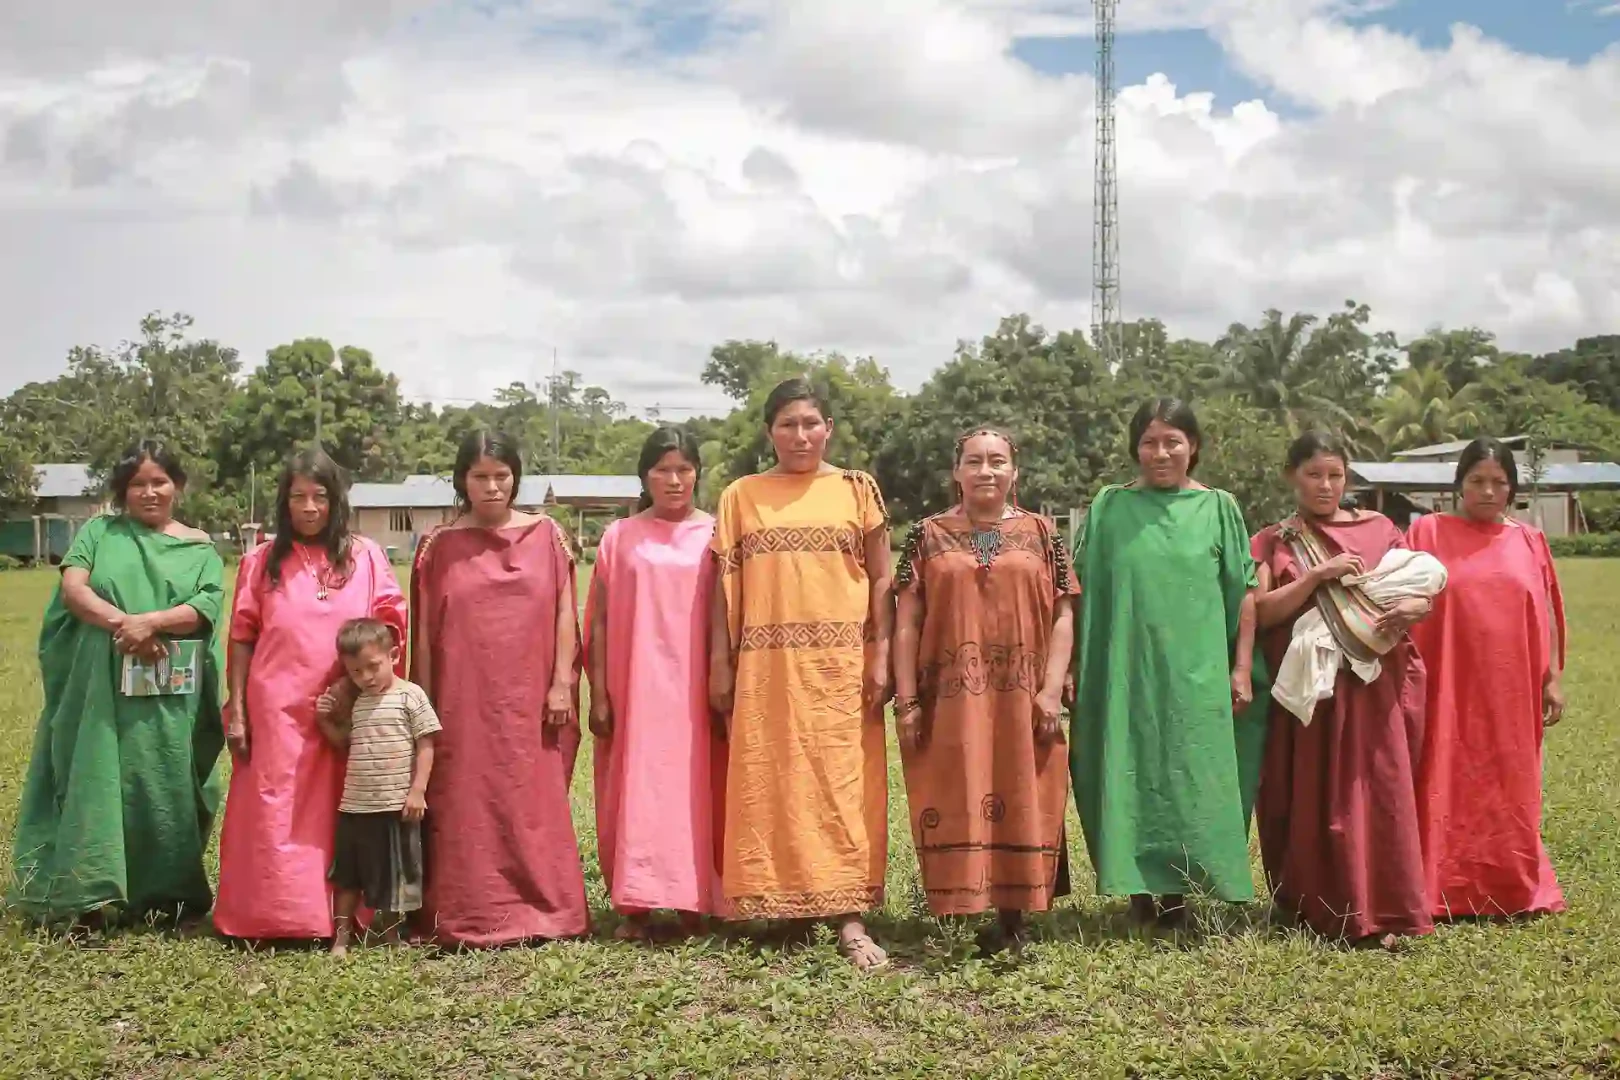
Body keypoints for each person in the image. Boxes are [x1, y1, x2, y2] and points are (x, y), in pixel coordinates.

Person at [709, 377, 893, 970]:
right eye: (787, 424)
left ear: (829, 428)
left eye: (811, 423)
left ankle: (849, 918)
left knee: (841, 784)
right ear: (769, 432)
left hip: (840, 668)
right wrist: (720, 663)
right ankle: (784, 911)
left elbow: (883, 579)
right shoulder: (741, 495)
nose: (800, 435)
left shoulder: (857, 490)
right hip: (765, 671)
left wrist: (882, 653)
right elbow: (723, 589)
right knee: (774, 781)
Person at [8, 439, 225, 926]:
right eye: (137, 484)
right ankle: (88, 896)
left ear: (178, 486)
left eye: (160, 482)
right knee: (97, 774)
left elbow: (207, 604)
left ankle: (168, 894)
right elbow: (73, 588)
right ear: (123, 491)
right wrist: (127, 625)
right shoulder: (100, 531)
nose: (150, 492)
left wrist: (154, 623)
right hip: (99, 689)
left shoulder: (200, 546)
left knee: (164, 777)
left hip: (169, 691)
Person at [1069, 398, 1265, 929]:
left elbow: (1244, 591)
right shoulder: (1109, 507)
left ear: (1192, 447)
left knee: (1189, 774)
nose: (1161, 453)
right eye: (1150, 442)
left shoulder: (1219, 507)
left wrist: (1241, 668)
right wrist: (1070, 665)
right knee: (1128, 768)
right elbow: (1079, 589)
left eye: (1172, 442)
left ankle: (1178, 892)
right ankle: (1135, 889)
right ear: (1135, 447)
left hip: (1195, 673)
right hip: (1122, 668)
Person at [892, 428, 1077, 953]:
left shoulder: (1042, 534)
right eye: (974, 461)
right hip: (949, 697)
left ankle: (1014, 915)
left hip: (1024, 697)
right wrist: (906, 699)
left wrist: (1049, 690)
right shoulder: (927, 535)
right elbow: (907, 620)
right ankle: (959, 910)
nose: (986, 471)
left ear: (1015, 472)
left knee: (1024, 786)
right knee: (955, 788)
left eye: (997, 461)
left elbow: (1065, 613)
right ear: (956, 472)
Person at [1250, 432, 1436, 946]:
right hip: (1311, 693)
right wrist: (1319, 577)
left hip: (1374, 686)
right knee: (1312, 795)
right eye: (1313, 474)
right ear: (1292, 476)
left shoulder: (1383, 530)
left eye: (1335, 475)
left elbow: (1421, 587)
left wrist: (1418, 607)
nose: (1325, 485)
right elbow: (1262, 612)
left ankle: (1386, 908)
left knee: (1377, 793)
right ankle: (1317, 907)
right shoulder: (1275, 539)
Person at [214, 449, 407, 942]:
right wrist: (237, 707)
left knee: (346, 806)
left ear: (336, 500)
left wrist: (347, 686)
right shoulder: (261, 559)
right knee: (274, 807)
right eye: (298, 496)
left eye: (320, 496)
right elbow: (242, 634)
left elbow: (391, 622)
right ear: (284, 501)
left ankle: (342, 916)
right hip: (274, 706)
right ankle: (270, 916)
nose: (309, 507)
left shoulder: (366, 555)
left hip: (348, 706)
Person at [409, 429, 589, 946]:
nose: (492, 487)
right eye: (480, 477)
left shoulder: (546, 535)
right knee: (465, 800)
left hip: (530, 700)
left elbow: (562, 610)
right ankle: (466, 910)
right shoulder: (437, 546)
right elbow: (424, 632)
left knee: (530, 800)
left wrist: (561, 682)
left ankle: (544, 909)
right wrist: (422, 703)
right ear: (462, 481)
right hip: (462, 702)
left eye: (501, 476)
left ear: (516, 478)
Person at [1408, 437, 1568, 919]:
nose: (1487, 491)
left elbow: (1547, 611)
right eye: (1477, 480)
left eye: (1499, 482)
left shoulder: (1528, 540)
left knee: (1509, 782)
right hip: (1447, 685)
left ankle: (1512, 885)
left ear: (1512, 489)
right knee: (1441, 775)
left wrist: (1552, 677)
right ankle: (1439, 887)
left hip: (1510, 691)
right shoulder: (1428, 534)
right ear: (1459, 484)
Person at [586, 427, 723, 940]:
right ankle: (637, 905)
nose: (673, 479)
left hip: (694, 689)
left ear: (696, 475)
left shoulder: (716, 534)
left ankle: (696, 899)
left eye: (684, 469)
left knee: (694, 788)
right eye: (662, 469)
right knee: (637, 789)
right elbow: (598, 622)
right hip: (635, 687)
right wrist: (598, 692)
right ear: (644, 476)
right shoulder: (620, 537)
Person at [316, 618, 440, 955]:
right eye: (356, 672)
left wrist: (418, 791)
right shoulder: (357, 702)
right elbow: (344, 743)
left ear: (394, 655)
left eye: (373, 667)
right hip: (355, 806)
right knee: (348, 876)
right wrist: (325, 720)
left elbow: (426, 744)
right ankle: (341, 936)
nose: (366, 678)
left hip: (395, 805)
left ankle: (391, 934)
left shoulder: (411, 696)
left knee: (396, 877)